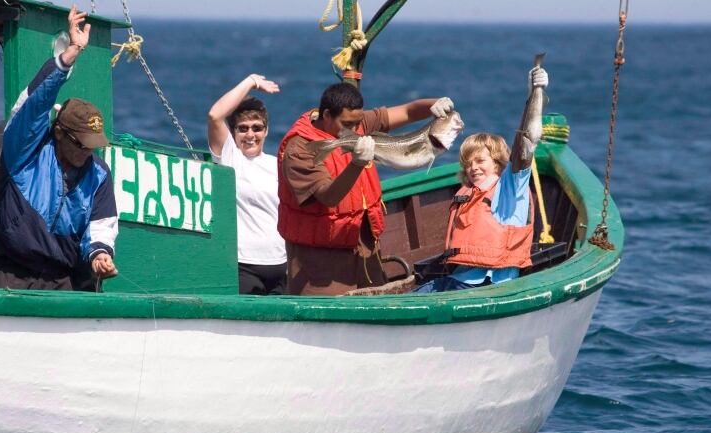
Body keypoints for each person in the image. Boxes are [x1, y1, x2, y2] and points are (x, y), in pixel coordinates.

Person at [0, 5, 118, 291]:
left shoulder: (99, 173)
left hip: (59, 280)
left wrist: (100, 254)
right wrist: (70, 55)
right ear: (59, 133)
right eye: (81, 145)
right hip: (7, 273)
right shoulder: (25, 153)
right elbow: (34, 104)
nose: (87, 153)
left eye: (94, 146)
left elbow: (101, 224)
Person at [278, 82, 454, 295]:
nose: (353, 130)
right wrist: (357, 163)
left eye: (356, 123)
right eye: (347, 124)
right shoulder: (299, 149)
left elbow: (408, 111)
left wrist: (434, 105)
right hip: (319, 267)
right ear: (326, 115)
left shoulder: (357, 122)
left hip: (364, 256)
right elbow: (328, 196)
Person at [414, 64, 549, 293]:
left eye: (480, 161)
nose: (472, 168)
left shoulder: (510, 186)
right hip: (459, 279)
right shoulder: (468, 193)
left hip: (490, 284)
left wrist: (534, 94)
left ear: (497, 162)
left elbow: (526, 143)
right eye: (468, 163)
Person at [207, 74, 287, 295]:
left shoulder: (278, 164)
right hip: (244, 266)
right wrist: (251, 81)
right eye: (242, 128)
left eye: (257, 127)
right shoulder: (230, 158)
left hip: (281, 264)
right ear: (233, 133)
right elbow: (215, 115)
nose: (250, 134)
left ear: (266, 130)